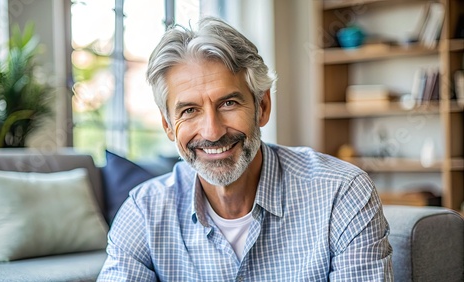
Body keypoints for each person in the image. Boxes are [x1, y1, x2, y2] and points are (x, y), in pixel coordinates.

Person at [97, 17, 393, 281]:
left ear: (262, 107)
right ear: (168, 126)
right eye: (189, 110)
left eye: (229, 103)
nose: (212, 131)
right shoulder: (143, 212)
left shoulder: (341, 193)